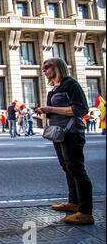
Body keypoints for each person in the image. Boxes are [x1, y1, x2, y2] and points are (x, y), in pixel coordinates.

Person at [36, 58, 94, 225]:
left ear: (58, 67)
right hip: (59, 133)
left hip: (72, 132)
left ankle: (85, 212)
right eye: (43, 68)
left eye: (47, 67)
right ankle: (73, 202)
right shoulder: (53, 89)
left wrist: (51, 109)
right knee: (67, 167)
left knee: (76, 169)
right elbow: (56, 111)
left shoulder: (70, 84)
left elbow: (80, 109)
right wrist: (43, 111)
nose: (44, 70)